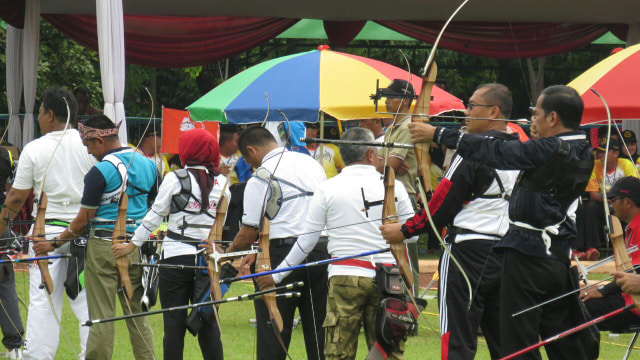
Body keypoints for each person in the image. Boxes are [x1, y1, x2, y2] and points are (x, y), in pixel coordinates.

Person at [403, 85, 596, 359]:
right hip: (555, 258)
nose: (532, 120)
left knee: (517, 341)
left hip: (527, 257)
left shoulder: (551, 149)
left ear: (553, 118)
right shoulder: (583, 148)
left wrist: (438, 133)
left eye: (536, 114)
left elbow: (500, 153)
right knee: (558, 339)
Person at [380, 83, 519, 359]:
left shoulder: (470, 152)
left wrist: (404, 230)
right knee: (507, 341)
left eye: (471, 106)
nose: (466, 113)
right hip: (508, 254)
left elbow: (441, 206)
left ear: (493, 112)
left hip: (466, 255)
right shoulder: (521, 149)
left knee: (456, 338)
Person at [257, 127, 414, 359]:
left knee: (338, 354)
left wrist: (277, 275)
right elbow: (412, 235)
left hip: (345, 277)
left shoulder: (328, 187)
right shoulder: (394, 186)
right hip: (388, 279)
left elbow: (308, 240)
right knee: (387, 352)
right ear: (370, 154)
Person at [46, 114, 157, 359]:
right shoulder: (148, 164)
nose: (89, 152)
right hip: (135, 246)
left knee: (102, 316)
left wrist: (54, 243)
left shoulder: (100, 171)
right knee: (137, 316)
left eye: (88, 145)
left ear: (99, 140)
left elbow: (82, 220)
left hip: (103, 246)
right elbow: (153, 205)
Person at [0, 87, 95, 359]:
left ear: (50, 114)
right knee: (87, 302)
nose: (39, 117)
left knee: (44, 304)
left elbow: (17, 198)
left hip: (47, 235)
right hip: (81, 233)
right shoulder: (88, 145)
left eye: (40, 111)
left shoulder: (35, 148)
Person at [225, 126, 328, 360]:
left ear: (251, 150)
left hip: (279, 256)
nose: (251, 166)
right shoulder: (312, 164)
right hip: (321, 251)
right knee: (320, 336)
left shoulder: (260, 176)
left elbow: (248, 232)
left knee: (273, 340)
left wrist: (227, 252)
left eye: (249, 159)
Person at [130, 128, 229, 359]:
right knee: (207, 322)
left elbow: (154, 215)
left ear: (188, 151)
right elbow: (218, 227)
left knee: (173, 324)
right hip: (207, 260)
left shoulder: (174, 178)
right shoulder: (223, 183)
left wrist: (132, 245)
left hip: (175, 258)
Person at [377, 79, 420, 295]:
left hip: (404, 196)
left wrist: (383, 164)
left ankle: (412, 305)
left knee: (406, 256)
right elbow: (382, 165)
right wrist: (384, 164)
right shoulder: (391, 128)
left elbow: (387, 167)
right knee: (391, 254)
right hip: (388, 194)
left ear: (404, 101)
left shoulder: (406, 127)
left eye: (391, 97)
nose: (386, 102)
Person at [581, 176, 640, 330]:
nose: (611, 205)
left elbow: (633, 273)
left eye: (613, 200)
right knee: (578, 305)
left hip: (634, 304)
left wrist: (603, 291)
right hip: (628, 297)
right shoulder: (631, 228)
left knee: (578, 311)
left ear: (627, 202)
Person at [578, 138, 638, 260]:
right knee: (590, 207)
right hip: (603, 202)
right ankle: (592, 248)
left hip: (623, 201)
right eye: (599, 152)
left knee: (625, 208)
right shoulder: (595, 165)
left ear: (616, 153)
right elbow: (593, 195)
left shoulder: (626, 164)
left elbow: (634, 189)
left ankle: (624, 246)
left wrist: (617, 200)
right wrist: (611, 200)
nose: (600, 155)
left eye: (604, 152)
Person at [0, 146, 23, 359]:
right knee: (5, 285)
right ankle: (14, 346)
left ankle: (15, 345)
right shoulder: (5, 155)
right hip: (2, 224)